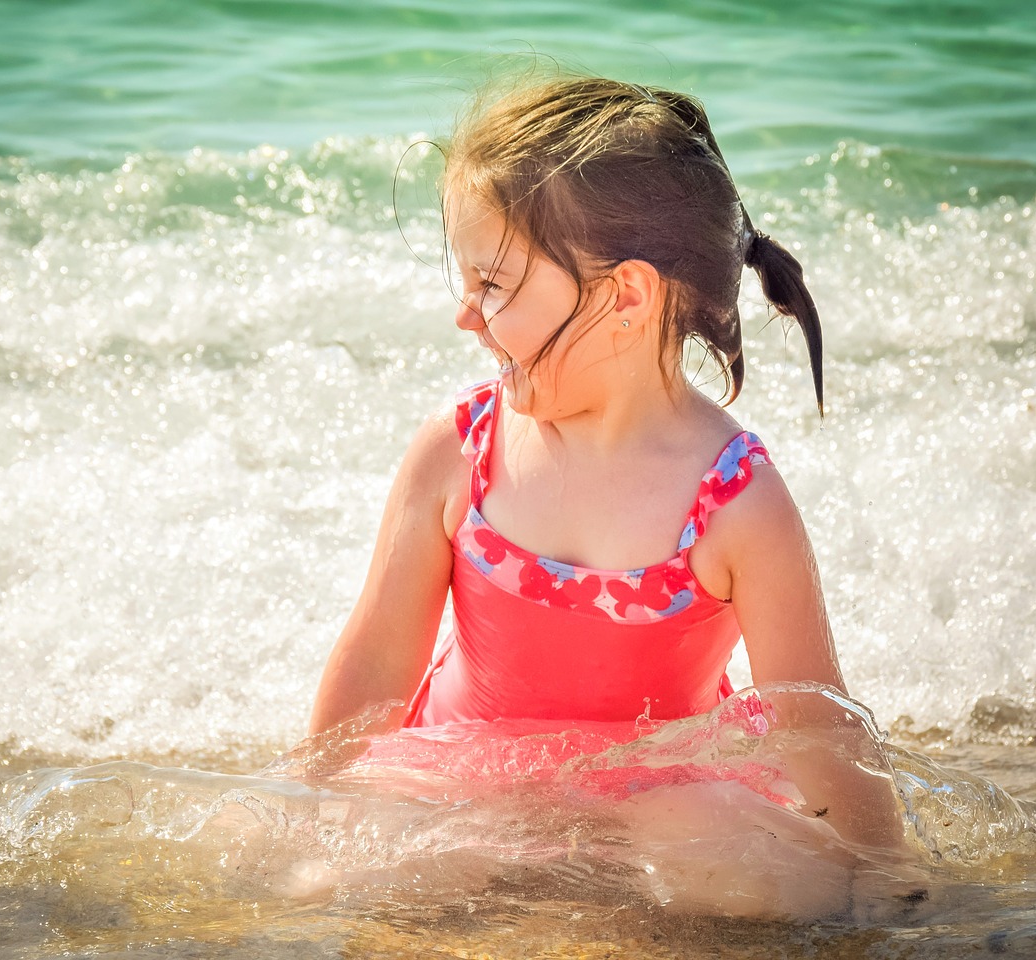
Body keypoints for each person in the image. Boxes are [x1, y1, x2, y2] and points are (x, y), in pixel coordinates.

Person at [308, 76, 906, 861]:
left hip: (660, 800)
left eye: (492, 284)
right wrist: (311, 810)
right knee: (401, 864)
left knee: (725, 864)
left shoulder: (733, 501)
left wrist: (888, 875)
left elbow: (817, 724)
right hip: (467, 780)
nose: (464, 312)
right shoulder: (463, 448)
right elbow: (379, 661)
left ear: (626, 295)